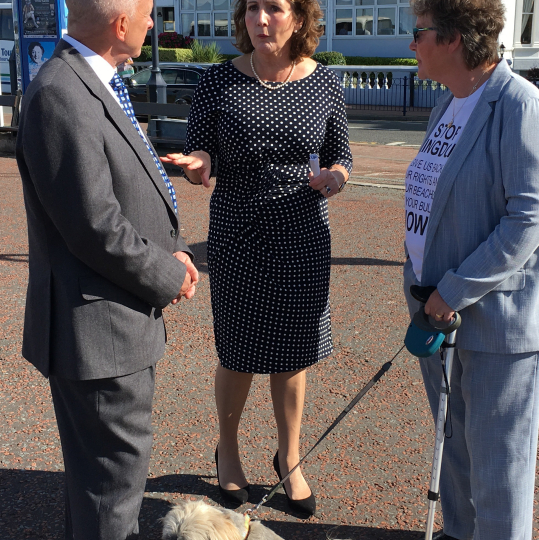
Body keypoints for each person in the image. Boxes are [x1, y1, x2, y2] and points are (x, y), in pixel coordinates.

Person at [15, 0, 200, 537]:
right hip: (99, 334)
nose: (152, 23)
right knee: (112, 492)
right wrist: (166, 273)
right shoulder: (61, 92)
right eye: (148, 13)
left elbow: (132, 188)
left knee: (98, 486)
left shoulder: (89, 82)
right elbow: (94, 225)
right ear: (121, 25)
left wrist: (175, 248)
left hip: (112, 321)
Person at [161, 0, 352, 517]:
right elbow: (202, 151)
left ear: (299, 17)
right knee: (238, 350)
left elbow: (342, 155)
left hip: (303, 232)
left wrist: (335, 177)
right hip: (238, 230)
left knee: (294, 350)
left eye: (275, 8)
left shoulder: (325, 81)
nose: (261, 19)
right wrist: (198, 164)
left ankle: (289, 457)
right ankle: (228, 450)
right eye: (252, 8)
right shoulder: (217, 81)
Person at [402, 0, 539, 538]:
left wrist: (454, 288)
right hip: (437, 310)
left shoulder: (518, 104)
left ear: (453, 38)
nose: (412, 44)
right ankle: (458, 531)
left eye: (420, 32)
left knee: (499, 465)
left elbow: (533, 214)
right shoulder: (448, 104)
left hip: (497, 319)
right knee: (452, 448)